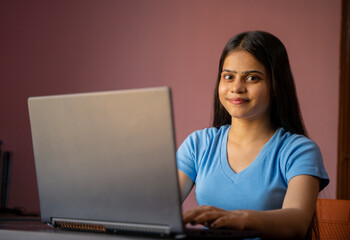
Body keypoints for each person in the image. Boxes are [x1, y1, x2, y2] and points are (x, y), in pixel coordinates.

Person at [176, 31, 329, 239]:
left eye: (252, 78)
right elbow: (158, 207)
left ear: (276, 85)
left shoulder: (299, 151)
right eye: (228, 76)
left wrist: (239, 219)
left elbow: (297, 223)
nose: (237, 88)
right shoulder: (198, 144)